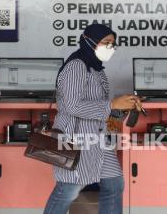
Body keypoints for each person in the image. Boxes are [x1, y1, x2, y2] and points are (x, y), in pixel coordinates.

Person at [43, 24, 142, 214]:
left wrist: (124, 107)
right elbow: (72, 106)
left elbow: (103, 110)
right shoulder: (76, 66)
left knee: (114, 185)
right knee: (68, 190)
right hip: (74, 140)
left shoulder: (97, 69)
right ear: (89, 41)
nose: (110, 48)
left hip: (97, 141)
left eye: (113, 44)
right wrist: (113, 104)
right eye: (106, 42)